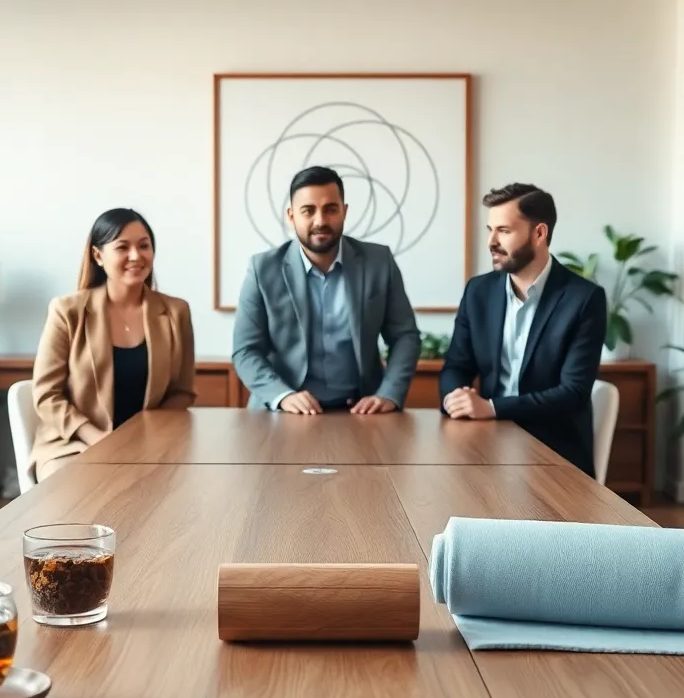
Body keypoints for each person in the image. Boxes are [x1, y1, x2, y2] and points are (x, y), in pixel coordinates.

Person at [439, 183, 607, 477]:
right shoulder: (479, 291)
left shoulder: (584, 299)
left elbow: (573, 393)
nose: (491, 241)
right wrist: (456, 398)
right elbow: (456, 365)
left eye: (504, 231)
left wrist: (492, 407)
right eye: (490, 229)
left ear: (539, 233)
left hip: (554, 456)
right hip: (484, 444)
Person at [232, 166, 421, 414]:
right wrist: (283, 395)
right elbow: (245, 350)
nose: (320, 221)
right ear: (291, 216)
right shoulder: (262, 269)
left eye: (330, 209)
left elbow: (405, 337)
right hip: (283, 412)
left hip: (361, 412)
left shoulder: (379, 262)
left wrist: (388, 394)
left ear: (344, 211)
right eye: (308, 211)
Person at [29, 208, 196, 482]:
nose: (136, 256)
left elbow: (182, 393)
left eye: (144, 246)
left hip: (151, 448)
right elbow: (47, 395)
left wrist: (143, 436)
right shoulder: (67, 311)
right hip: (74, 446)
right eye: (122, 247)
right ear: (98, 255)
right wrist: (97, 438)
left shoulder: (176, 312)